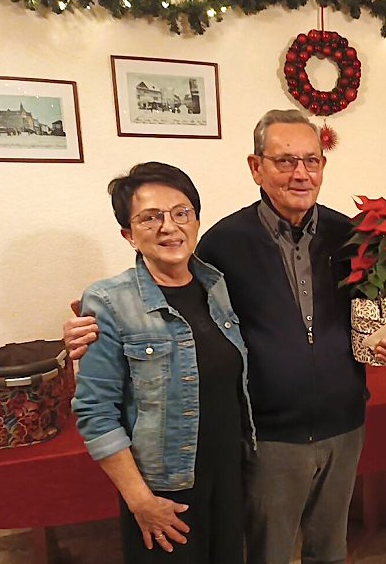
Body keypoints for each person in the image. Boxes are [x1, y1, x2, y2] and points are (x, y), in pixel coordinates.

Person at [65, 110, 386, 564]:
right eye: (284, 161)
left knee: (329, 550)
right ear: (256, 167)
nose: (300, 173)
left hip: (344, 424)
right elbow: (147, 306)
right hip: (268, 437)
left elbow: (374, 318)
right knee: (266, 552)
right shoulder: (220, 246)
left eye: (311, 161)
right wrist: (84, 330)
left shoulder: (351, 236)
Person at [71, 162, 255, 564]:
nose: (169, 226)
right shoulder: (108, 301)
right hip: (164, 488)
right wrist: (141, 502)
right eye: (150, 217)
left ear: (196, 220)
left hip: (228, 476)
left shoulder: (217, 286)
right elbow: (95, 412)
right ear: (129, 235)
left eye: (181, 212)